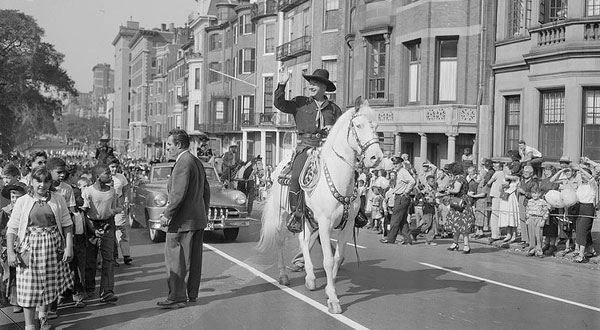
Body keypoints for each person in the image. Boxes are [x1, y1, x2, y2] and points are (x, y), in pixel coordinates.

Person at [274, 67, 343, 231]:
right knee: (297, 175)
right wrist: (281, 85)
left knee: (350, 173)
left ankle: (354, 211)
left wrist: (331, 130)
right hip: (306, 147)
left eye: (315, 84)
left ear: (324, 88)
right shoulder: (300, 102)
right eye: (310, 83)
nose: (311, 86)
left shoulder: (334, 109)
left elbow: (340, 132)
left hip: (327, 149)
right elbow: (280, 104)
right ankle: (296, 215)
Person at [6, 167, 74, 330]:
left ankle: (43, 316)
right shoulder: (23, 201)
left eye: (46, 181)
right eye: (39, 181)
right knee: (28, 286)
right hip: (29, 247)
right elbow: (12, 228)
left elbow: (67, 224)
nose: (42, 185)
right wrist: (10, 251)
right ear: (32, 181)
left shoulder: (58, 199)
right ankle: (30, 324)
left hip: (52, 246)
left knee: (48, 284)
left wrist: (69, 247)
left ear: (50, 183)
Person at [157, 129, 210, 308]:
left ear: (178, 145)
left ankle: (176, 296)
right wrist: (204, 213)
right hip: (197, 219)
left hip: (181, 221)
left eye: (169, 145)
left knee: (175, 259)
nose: (168, 149)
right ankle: (191, 294)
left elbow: (177, 194)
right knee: (194, 259)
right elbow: (206, 191)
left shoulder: (182, 163)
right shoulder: (196, 161)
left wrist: (167, 215)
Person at [82, 164, 120, 304]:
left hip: (107, 225)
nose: (110, 175)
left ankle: (107, 291)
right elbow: (84, 214)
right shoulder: (88, 192)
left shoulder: (112, 191)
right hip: (92, 226)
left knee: (108, 259)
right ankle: (90, 288)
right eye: (107, 173)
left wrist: (114, 211)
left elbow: (115, 206)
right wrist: (93, 229)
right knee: (91, 260)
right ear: (97, 176)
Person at [0, 182, 27, 314]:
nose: (15, 200)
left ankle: (23, 299)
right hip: (8, 246)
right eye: (12, 196)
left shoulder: (27, 209)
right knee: (10, 275)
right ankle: (14, 300)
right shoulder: (5, 212)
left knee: (23, 273)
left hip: (24, 245)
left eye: (18, 196)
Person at [380, 162, 416, 244]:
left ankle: (390, 238)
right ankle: (407, 239)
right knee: (403, 220)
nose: (395, 165)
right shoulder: (399, 172)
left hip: (401, 197)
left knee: (395, 219)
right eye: (394, 164)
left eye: (397, 163)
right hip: (398, 196)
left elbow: (412, 181)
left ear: (401, 164)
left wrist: (406, 192)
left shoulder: (403, 172)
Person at [445, 163, 476, 254]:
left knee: (462, 224)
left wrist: (448, 190)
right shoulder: (462, 177)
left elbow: (456, 190)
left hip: (459, 202)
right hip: (460, 201)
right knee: (457, 223)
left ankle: (466, 245)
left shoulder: (458, 178)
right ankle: (455, 243)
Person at [107, 158, 133, 266]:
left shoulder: (121, 177)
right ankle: (114, 257)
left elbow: (126, 189)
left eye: (116, 167)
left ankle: (126, 255)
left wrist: (126, 200)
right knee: (111, 233)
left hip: (119, 207)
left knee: (122, 230)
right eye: (112, 167)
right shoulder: (104, 178)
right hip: (108, 208)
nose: (114, 169)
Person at [573, 167, 597, 263]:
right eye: (581, 175)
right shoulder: (581, 185)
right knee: (580, 229)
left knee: (582, 230)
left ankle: (581, 254)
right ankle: (591, 249)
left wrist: (580, 168)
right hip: (580, 207)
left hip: (588, 208)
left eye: (584, 174)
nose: (582, 176)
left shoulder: (592, 185)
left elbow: (591, 178)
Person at [539, 164, 560, 256]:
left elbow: (554, 190)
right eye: (545, 170)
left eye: (549, 170)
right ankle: (546, 243)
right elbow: (540, 190)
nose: (546, 172)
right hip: (544, 204)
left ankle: (552, 244)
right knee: (546, 226)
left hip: (552, 204)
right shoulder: (543, 181)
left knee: (552, 225)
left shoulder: (555, 181)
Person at [518, 165, 539, 247]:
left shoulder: (533, 182)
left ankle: (530, 240)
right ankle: (524, 238)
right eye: (524, 172)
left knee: (528, 221)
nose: (525, 173)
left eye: (527, 172)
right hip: (521, 201)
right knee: (522, 219)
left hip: (528, 202)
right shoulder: (522, 181)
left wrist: (524, 193)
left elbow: (535, 193)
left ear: (531, 173)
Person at [525, 185, 549, 257]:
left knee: (538, 235)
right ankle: (531, 250)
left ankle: (539, 251)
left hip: (539, 218)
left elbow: (546, 212)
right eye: (533, 193)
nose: (534, 195)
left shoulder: (543, 202)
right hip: (531, 218)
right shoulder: (529, 201)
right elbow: (527, 210)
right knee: (531, 235)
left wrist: (543, 220)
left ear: (539, 194)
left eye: (536, 193)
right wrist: (527, 218)